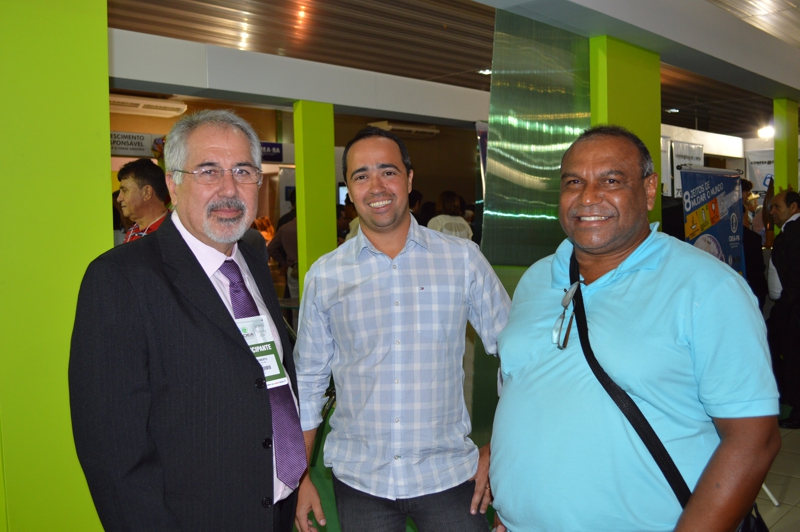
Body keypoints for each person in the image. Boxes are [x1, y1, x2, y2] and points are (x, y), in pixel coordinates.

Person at [490, 125, 780, 532]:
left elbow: (754, 440)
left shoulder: (707, 288)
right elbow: (528, 388)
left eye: (611, 181)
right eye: (573, 182)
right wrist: (505, 471)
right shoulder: (537, 278)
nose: (587, 197)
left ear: (648, 190)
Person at [69, 110, 306, 531]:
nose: (229, 189)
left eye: (243, 171)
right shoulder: (121, 279)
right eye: (208, 171)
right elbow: (112, 453)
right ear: (173, 184)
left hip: (274, 509)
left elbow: (268, 378)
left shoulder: (251, 260)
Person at [293, 126, 510, 532]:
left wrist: (501, 448)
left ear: (409, 179)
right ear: (349, 189)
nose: (376, 186)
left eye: (388, 171)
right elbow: (308, 382)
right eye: (361, 175)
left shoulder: (462, 260)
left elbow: (517, 356)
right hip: (361, 480)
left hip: (449, 476)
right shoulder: (325, 275)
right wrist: (300, 475)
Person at [766, 189, 800, 428]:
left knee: (793, 357)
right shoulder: (788, 233)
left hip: (792, 308)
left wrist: (786, 308)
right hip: (788, 306)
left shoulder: (793, 234)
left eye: (777, 206)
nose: (772, 212)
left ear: (793, 207)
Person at [116, 158, 170, 243]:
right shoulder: (132, 231)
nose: (119, 199)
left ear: (147, 192)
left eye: (125, 190)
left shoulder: (174, 231)